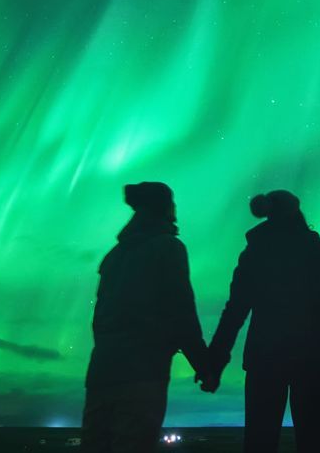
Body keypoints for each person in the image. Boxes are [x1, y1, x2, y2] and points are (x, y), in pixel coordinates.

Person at [201, 190, 320, 453]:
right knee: (315, 444)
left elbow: (235, 312)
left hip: (264, 361)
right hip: (311, 360)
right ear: (296, 213)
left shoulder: (255, 252)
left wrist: (214, 363)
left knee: (259, 443)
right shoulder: (311, 247)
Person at [81, 182, 208, 453]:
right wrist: (204, 364)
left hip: (102, 373)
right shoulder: (168, 248)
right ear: (164, 208)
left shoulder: (114, 256)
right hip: (143, 373)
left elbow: (100, 317)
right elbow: (181, 311)